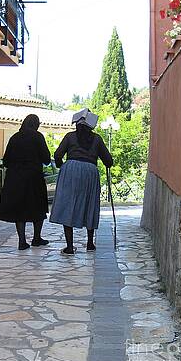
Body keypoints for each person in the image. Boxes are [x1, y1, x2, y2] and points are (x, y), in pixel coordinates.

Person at [49, 108, 113, 254]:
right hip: (90, 172)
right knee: (90, 204)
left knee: (68, 205)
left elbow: (58, 154)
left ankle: (70, 247)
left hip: (70, 170)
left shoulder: (70, 137)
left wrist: (61, 165)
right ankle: (90, 243)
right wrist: (107, 162)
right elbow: (108, 160)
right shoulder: (97, 139)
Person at [0, 114, 52, 250]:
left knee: (19, 208)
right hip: (34, 178)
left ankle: (22, 240)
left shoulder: (15, 138)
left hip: (15, 179)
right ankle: (36, 238)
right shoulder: (38, 137)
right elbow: (46, 159)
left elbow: (6, 161)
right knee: (38, 207)